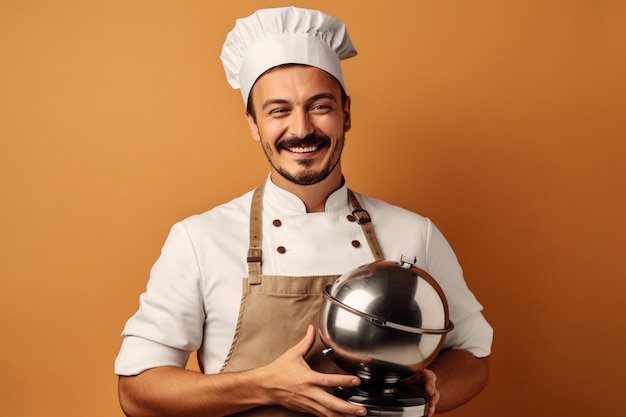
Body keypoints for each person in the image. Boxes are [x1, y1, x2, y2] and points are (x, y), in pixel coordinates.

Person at [115, 6, 493, 417]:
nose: (301, 129)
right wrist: (264, 386)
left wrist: (424, 398)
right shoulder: (199, 239)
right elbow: (137, 392)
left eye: (319, 106)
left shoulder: (413, 233)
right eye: (279, 110)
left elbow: (472, 355)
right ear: (254, 124)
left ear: (346, 113)